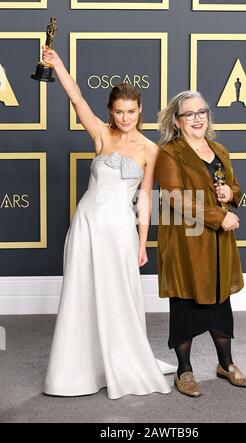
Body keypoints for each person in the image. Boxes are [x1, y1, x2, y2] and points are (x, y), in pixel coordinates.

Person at [42, 47, 175, 400]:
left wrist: (143, 241)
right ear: (111, 112)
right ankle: (78, 371)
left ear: (140, 110)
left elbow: (145, 198)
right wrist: (57, 65)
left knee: (118, 298)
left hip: (119, 231)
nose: (125, 117)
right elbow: (76, 99)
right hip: (86, 224)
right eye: (119, 111)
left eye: (131, 111)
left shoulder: (151, 149)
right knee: (80, 294)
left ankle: (120, 362)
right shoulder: (101, 134)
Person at [155, 90, 246, 397]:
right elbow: (176, 197)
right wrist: (217, 216)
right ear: (177, 120)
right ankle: (184, 371)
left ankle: (226, 364)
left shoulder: (219, 149)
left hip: (218, 241)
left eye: (201, 112)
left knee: (221, 302)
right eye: (189, 114)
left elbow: (233, 184)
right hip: (186, 238)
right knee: (186, 302)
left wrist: (231, 194)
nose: (197, 119)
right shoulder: (170, 153)